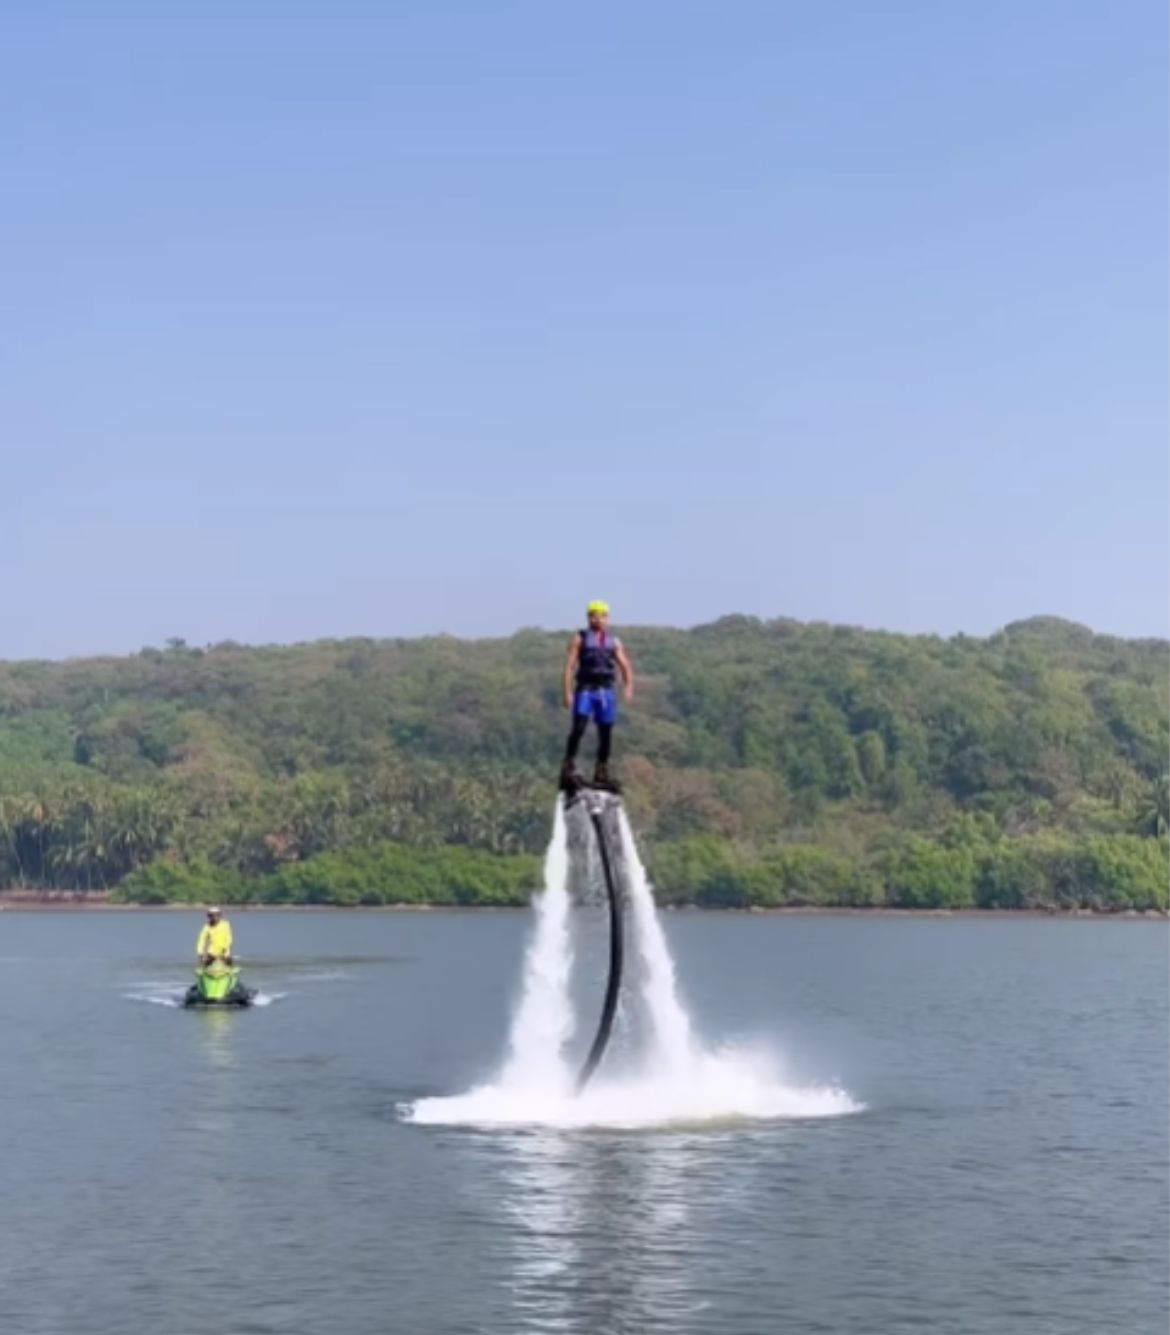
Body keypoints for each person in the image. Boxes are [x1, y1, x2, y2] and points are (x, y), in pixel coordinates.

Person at [560, 600, 634, 790]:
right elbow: (569, 667)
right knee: (579, 727)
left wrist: (628, 687)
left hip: (605, 691)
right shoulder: (580, 638)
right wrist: (567, 693)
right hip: (585, 688)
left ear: (607, 618)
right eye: (593, 616)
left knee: (605, 733)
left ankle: (601, 771)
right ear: (588, 618)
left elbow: (625, 666)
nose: (597, 619)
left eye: (601, 616)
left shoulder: (613, 641)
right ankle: (568, 766)